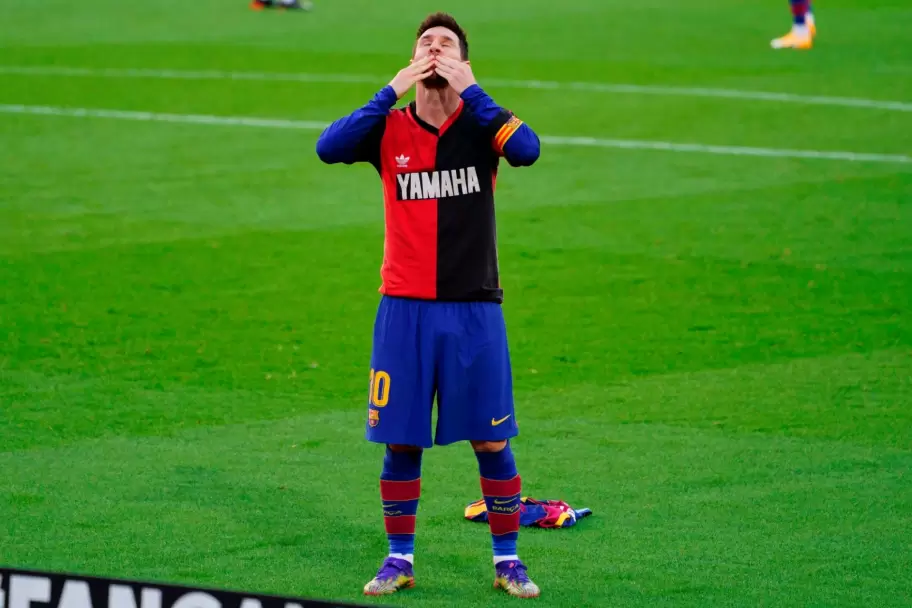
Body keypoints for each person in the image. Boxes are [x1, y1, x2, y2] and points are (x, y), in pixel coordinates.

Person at [315, 11, 541, 600]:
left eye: (446, 45)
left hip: (473, 310)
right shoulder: (387, 129)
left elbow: (529, 150)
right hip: (404, 310)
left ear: (464, 61)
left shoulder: (482, 125)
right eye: (425, 44)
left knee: (492, 440)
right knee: (401, 440)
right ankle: (399, 559)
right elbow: (327, 146)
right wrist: (392, 87)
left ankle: (509, 561)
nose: (434, 51)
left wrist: (474, 90)